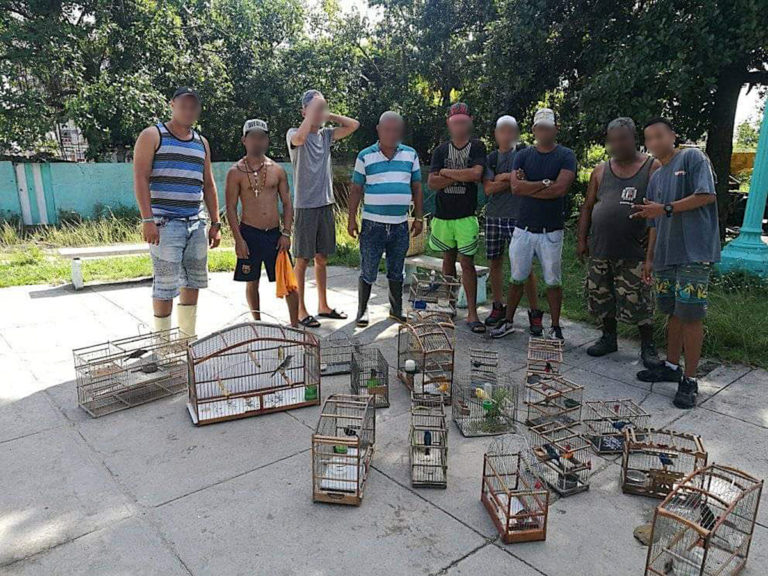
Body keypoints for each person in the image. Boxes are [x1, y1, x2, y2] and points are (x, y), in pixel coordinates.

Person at [630, 117, 720, 409]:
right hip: (666, 255)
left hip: (694, 251)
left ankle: (690, 380)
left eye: (659, 135)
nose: (654, 142)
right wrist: (650, 258)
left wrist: (666, 208)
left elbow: (706, 195)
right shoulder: (656, 176)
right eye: (649, 138)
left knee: (691, 314)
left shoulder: (692, 157)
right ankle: (671, 366)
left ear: (673, 136)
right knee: (673, 311)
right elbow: (654, 220)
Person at [133, 87, 221, 338]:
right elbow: (140, 177)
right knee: (165, 285)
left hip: (196, 222)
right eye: (183, 106)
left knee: (193, 282)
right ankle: (162, 344)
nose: (188, 111)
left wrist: (215, 223)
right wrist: (147, 219)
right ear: (172, 105)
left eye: (193, 107)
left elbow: (208, 184)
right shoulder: (153, 135)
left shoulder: (201, 142)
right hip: (164, 223)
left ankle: (186, 339)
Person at [577, 117, 662, 367]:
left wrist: (652, 251)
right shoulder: (600, 170)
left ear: (634, 138)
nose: (617, 145)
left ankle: (648, 346)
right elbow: (588, 206)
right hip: (601, 248)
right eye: (612, 140)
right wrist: (582, 239)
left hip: (635, 250)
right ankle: (608, 338)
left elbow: (658, 210)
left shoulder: (652, 167)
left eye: (622, 139)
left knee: (639, 299)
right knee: (601, 294)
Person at [490, 108, 576, 341]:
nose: (543, 132)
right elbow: (516, 188)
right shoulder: (523, 155)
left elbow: (560, 189)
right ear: (534, 129)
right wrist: (546, 183)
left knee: (553, 280)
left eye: (548, 127)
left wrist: (531, 186)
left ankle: (555, 327)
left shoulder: (566, 155)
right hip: (524, 227)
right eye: (540, 128)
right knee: (517, 277)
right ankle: (508, 321)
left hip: (551, 229)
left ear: (556, 129)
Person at [287, 90, 360, 327]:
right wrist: (312, 112)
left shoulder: (326, 135)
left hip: (325, 203)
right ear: (304, 112)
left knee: (322, 258)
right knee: (302, 260)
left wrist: (328, 114)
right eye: (315, 108)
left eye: (322, 108)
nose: (320, 112)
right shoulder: (294, 133)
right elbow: (299, 139)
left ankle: (323, 306)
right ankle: (300, 310)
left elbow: (353, 125)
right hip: (305, 206)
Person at [348, 111, 424, 326]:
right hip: (372, 224)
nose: (391, 134)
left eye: (396, 130)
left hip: (400, 223)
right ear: (379, 130)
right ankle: (362, 311)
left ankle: (396, 309)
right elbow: (356, 189)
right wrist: (351, 219)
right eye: (387, 130)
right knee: (368, 268)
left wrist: (419, 218)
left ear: (401, 132)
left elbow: (417, 187)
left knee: (397, 269)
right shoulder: (365, 156)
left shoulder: (410, 155)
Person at [226, 118, 299, 326]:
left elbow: (287, 203)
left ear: (267, 140)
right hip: (249, 233)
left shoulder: (277, 170)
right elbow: (231, 208)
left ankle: (295, 327)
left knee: (289, 281)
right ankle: (257, 323)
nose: (257, 142)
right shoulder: (235, 172)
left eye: (261, 137)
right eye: (253, 137)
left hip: (275, 235)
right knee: (252, 281)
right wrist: (239, 240)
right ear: (244, 140)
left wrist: (286, 233)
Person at [427, 102, 487, 333]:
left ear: (470, 122)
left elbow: (476, 174)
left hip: (466, 215)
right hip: (443, 214)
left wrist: (446, 173)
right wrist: (461, 175)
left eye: (463, 122)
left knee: (467, 263)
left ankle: (472, 314)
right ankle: (448, 307)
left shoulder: (477, 146)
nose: (459, 126)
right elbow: (433, 182)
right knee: (447, 261)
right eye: (455, 122)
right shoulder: (441, 150)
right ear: (449, 124)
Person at [482, 115, 542, 333]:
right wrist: (512, 178)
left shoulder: (525, 154)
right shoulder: (490, 158)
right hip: (494, 217)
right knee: (495, 262)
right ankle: (498, 306)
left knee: (525, 267)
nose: (507, 135)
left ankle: (535, 313)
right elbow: (488, 188)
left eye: (511, 131)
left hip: (519, 218)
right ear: (496, 134)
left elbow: (526, 183)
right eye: (502, 131)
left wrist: (502, 178)